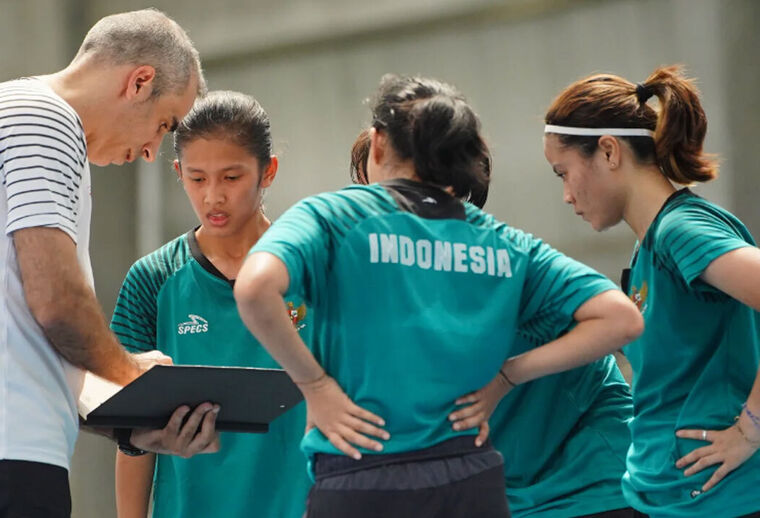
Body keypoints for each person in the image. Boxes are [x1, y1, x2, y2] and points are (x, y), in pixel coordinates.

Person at [233, 74, 644, 518]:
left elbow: (254, 287)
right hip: (472, 482)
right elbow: (621, 319)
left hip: (364, 478)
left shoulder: (336, 216)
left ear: (378, 144)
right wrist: (506, 377)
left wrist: (314, 385)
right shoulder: (504, 243)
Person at [0, 10, 218, 518]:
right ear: (139, 82)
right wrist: (135, 375)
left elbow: (17, 335)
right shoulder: (44, 119)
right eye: (164, 124)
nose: (152, 151)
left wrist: (129, 425)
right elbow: (56, 301)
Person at [350, 129, 638, 518]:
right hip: (499, 488)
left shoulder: (507, 256)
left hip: (587, 480)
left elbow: (620, 321)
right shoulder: (376, 284)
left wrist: (506, 376)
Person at [543, 65, 760, 517]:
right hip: (668, 496)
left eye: (563, 173)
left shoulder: (681, 230)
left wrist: (751, 428)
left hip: (719, 501)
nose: (565, 195)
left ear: (608, 151)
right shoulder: (652, 244)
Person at [111, 90, 311, 518]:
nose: (213, 197)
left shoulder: (314, 268)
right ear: (178, 172)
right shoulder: (152, 279)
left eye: (231, 178)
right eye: (197, 179)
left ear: (268, 171)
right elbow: (130, 435)